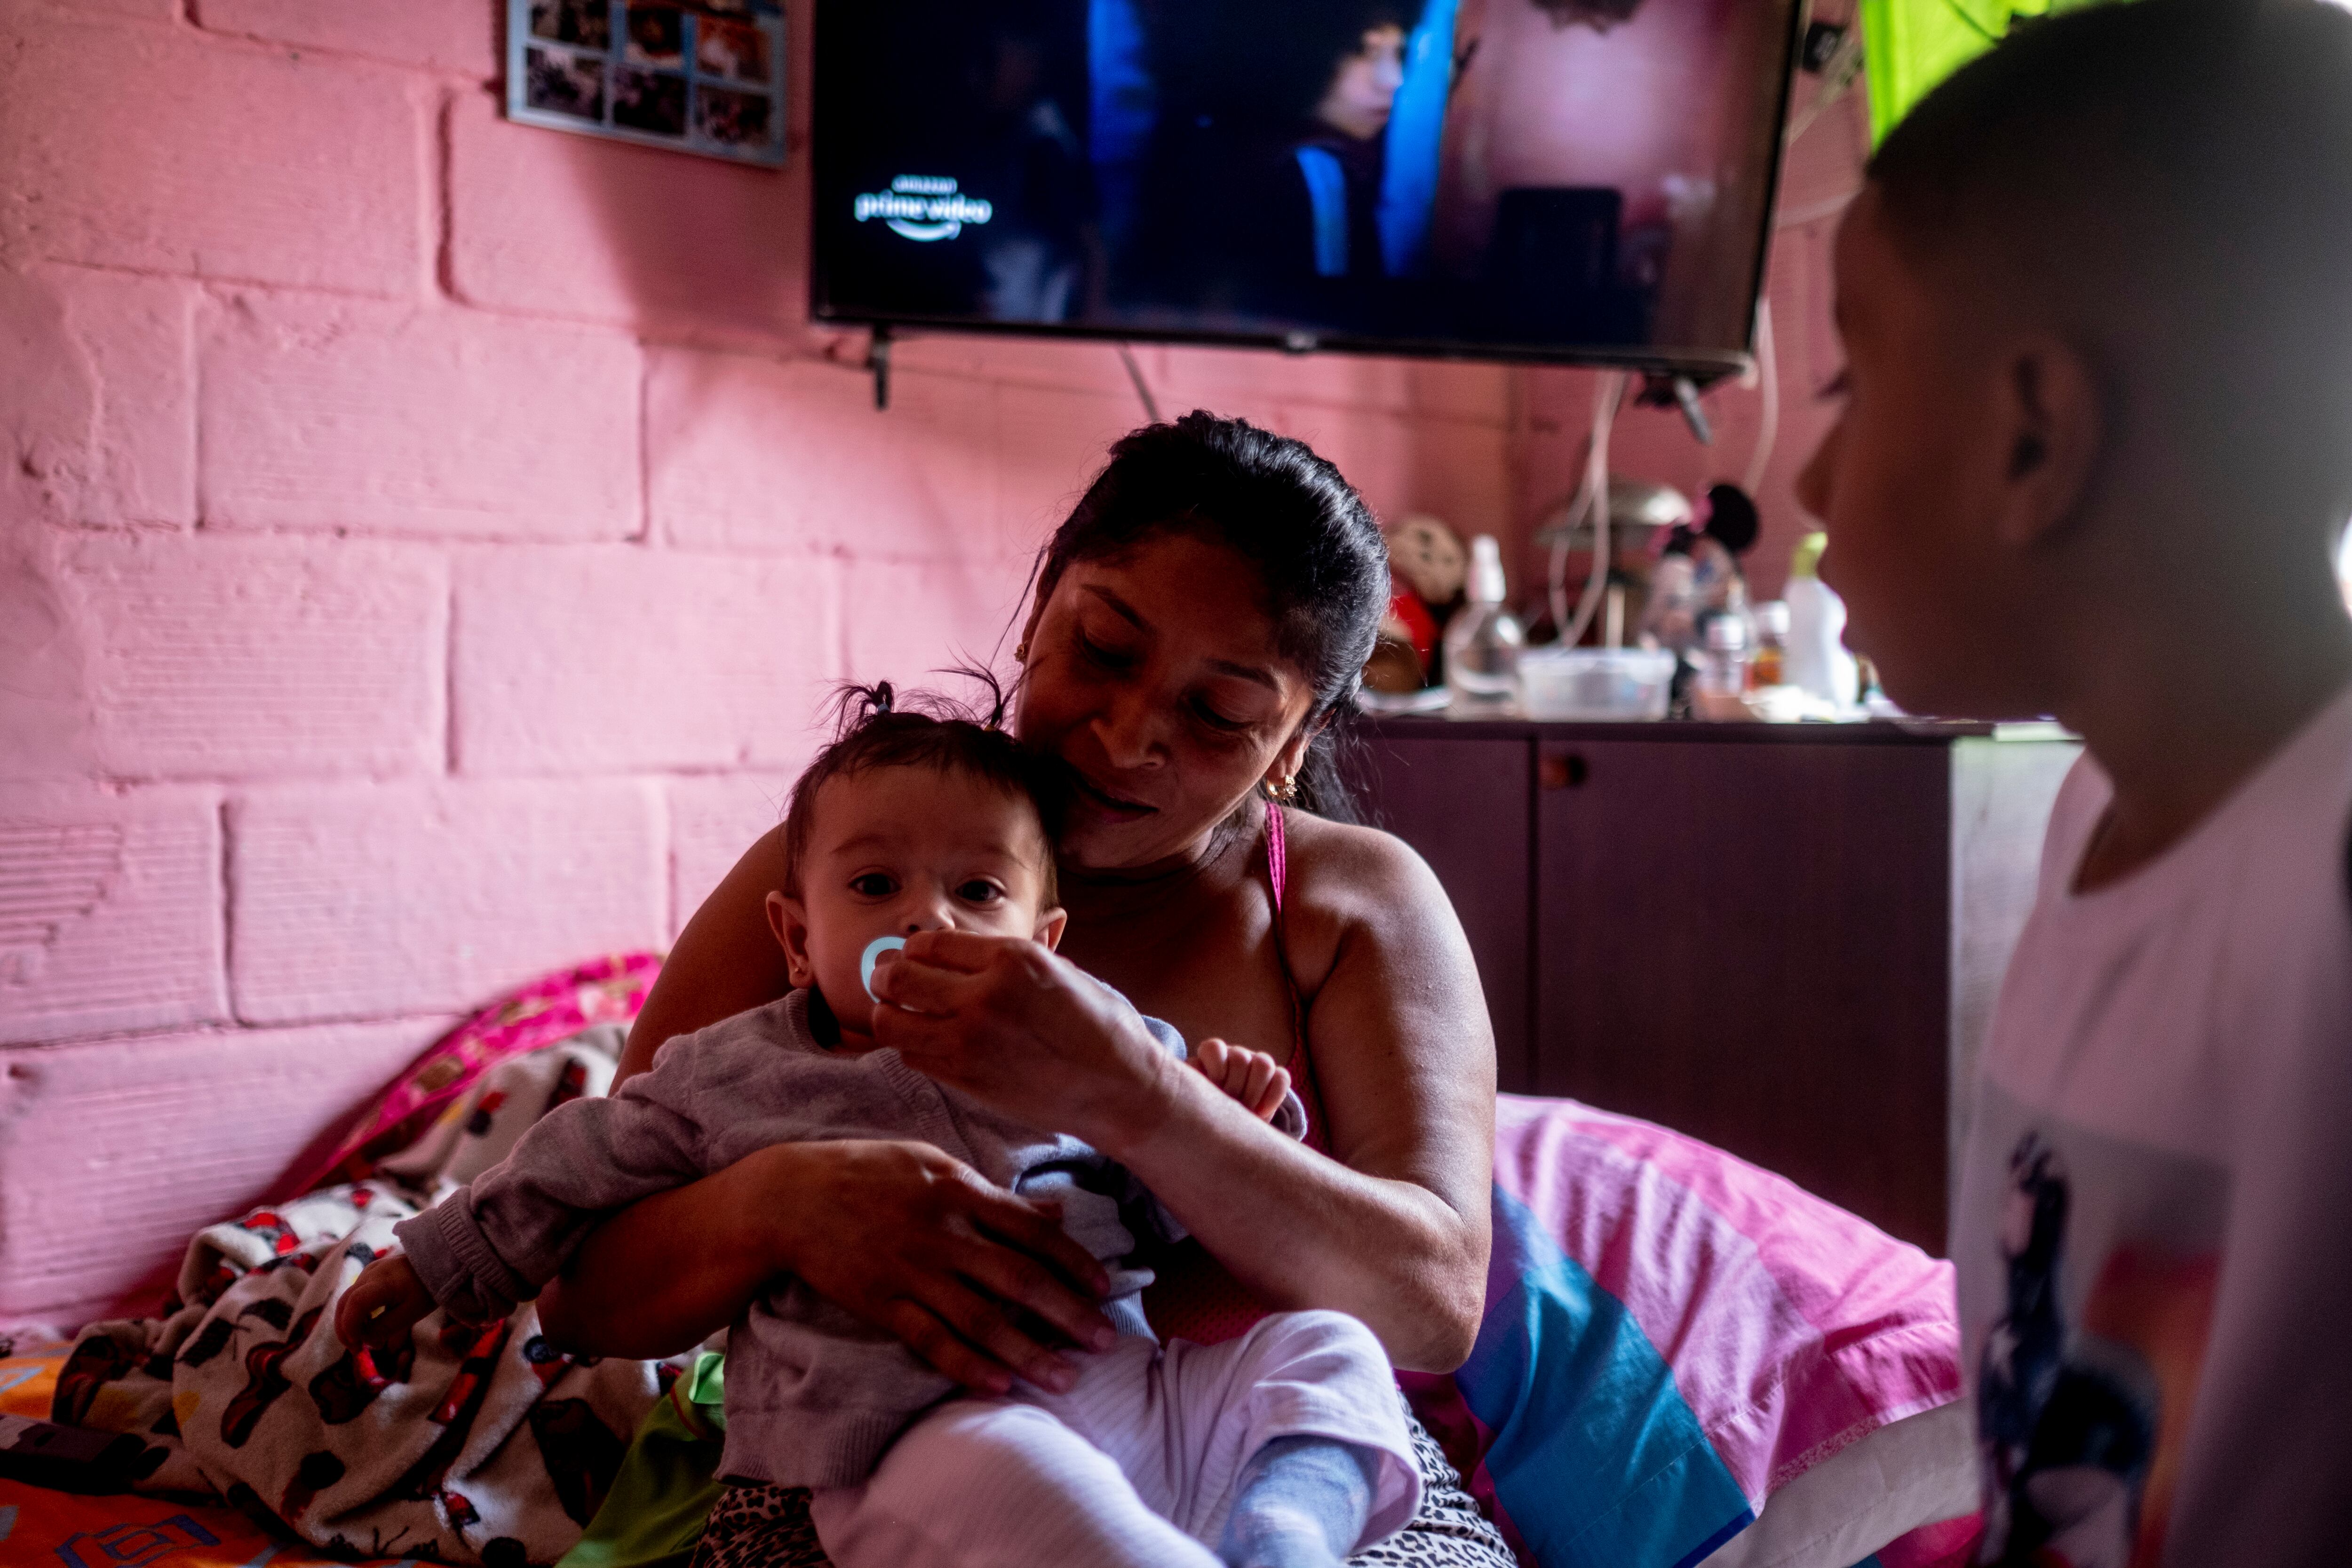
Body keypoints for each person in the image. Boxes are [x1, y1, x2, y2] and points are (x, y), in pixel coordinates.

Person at [536, 413, 1508, 1568]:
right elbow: (577, 1289)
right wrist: (783, 1202)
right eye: (1102, 645)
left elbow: (1433, 1299)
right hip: (890, 1457)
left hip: (1233, 1455)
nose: (1128, 732)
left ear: (1293, 740)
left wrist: (1138, 1095)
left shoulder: (1348, 908)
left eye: (1221, 714)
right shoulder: (854, 872)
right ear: (1043, 599)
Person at [339, 690, 1421, 1568]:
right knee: (1023, 1495)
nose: (927, 917)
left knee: (1327, 1352)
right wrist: (434, 1263)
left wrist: (1217, 1121)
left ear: (1045, 938)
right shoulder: (742, 1071)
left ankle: (1285, 1534)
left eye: (977, 889)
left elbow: (1151, 1216)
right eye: (875, 884)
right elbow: (573, 1164)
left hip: (1132, 1393)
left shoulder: (1089, 1042)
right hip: (916, 1439)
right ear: (797, 937)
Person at [1795, 3, 2352, 1560]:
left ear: (2035, 435)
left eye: (1848, 381)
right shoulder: (2094, 812)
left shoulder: (2329, 869)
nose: (1808, 480)